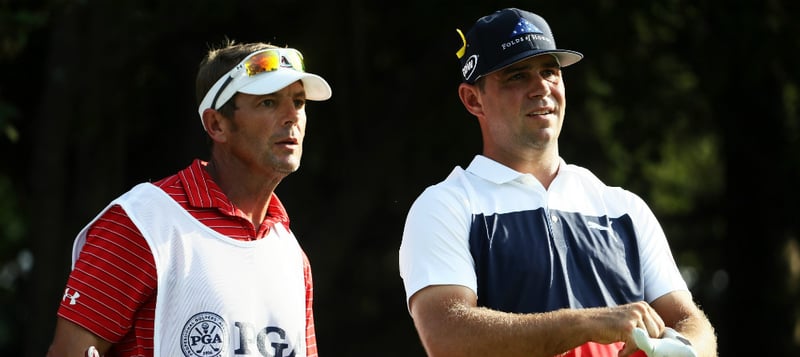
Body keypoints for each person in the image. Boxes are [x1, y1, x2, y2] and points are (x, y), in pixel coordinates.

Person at [398, 8, 717, 357]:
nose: (541, 88)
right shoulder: (446, 206)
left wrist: (681, 350)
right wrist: (585, 325)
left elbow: (690, 323)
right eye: (516, 76)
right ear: (473, 99)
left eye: (550, 71)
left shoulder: (623, 207)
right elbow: (447, 335)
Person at [46, 40, 332, 356]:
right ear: (216, 124)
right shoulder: (142, 222)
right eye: (268, 102)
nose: (292, 116)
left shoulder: (289, 252)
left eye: (299, 102)